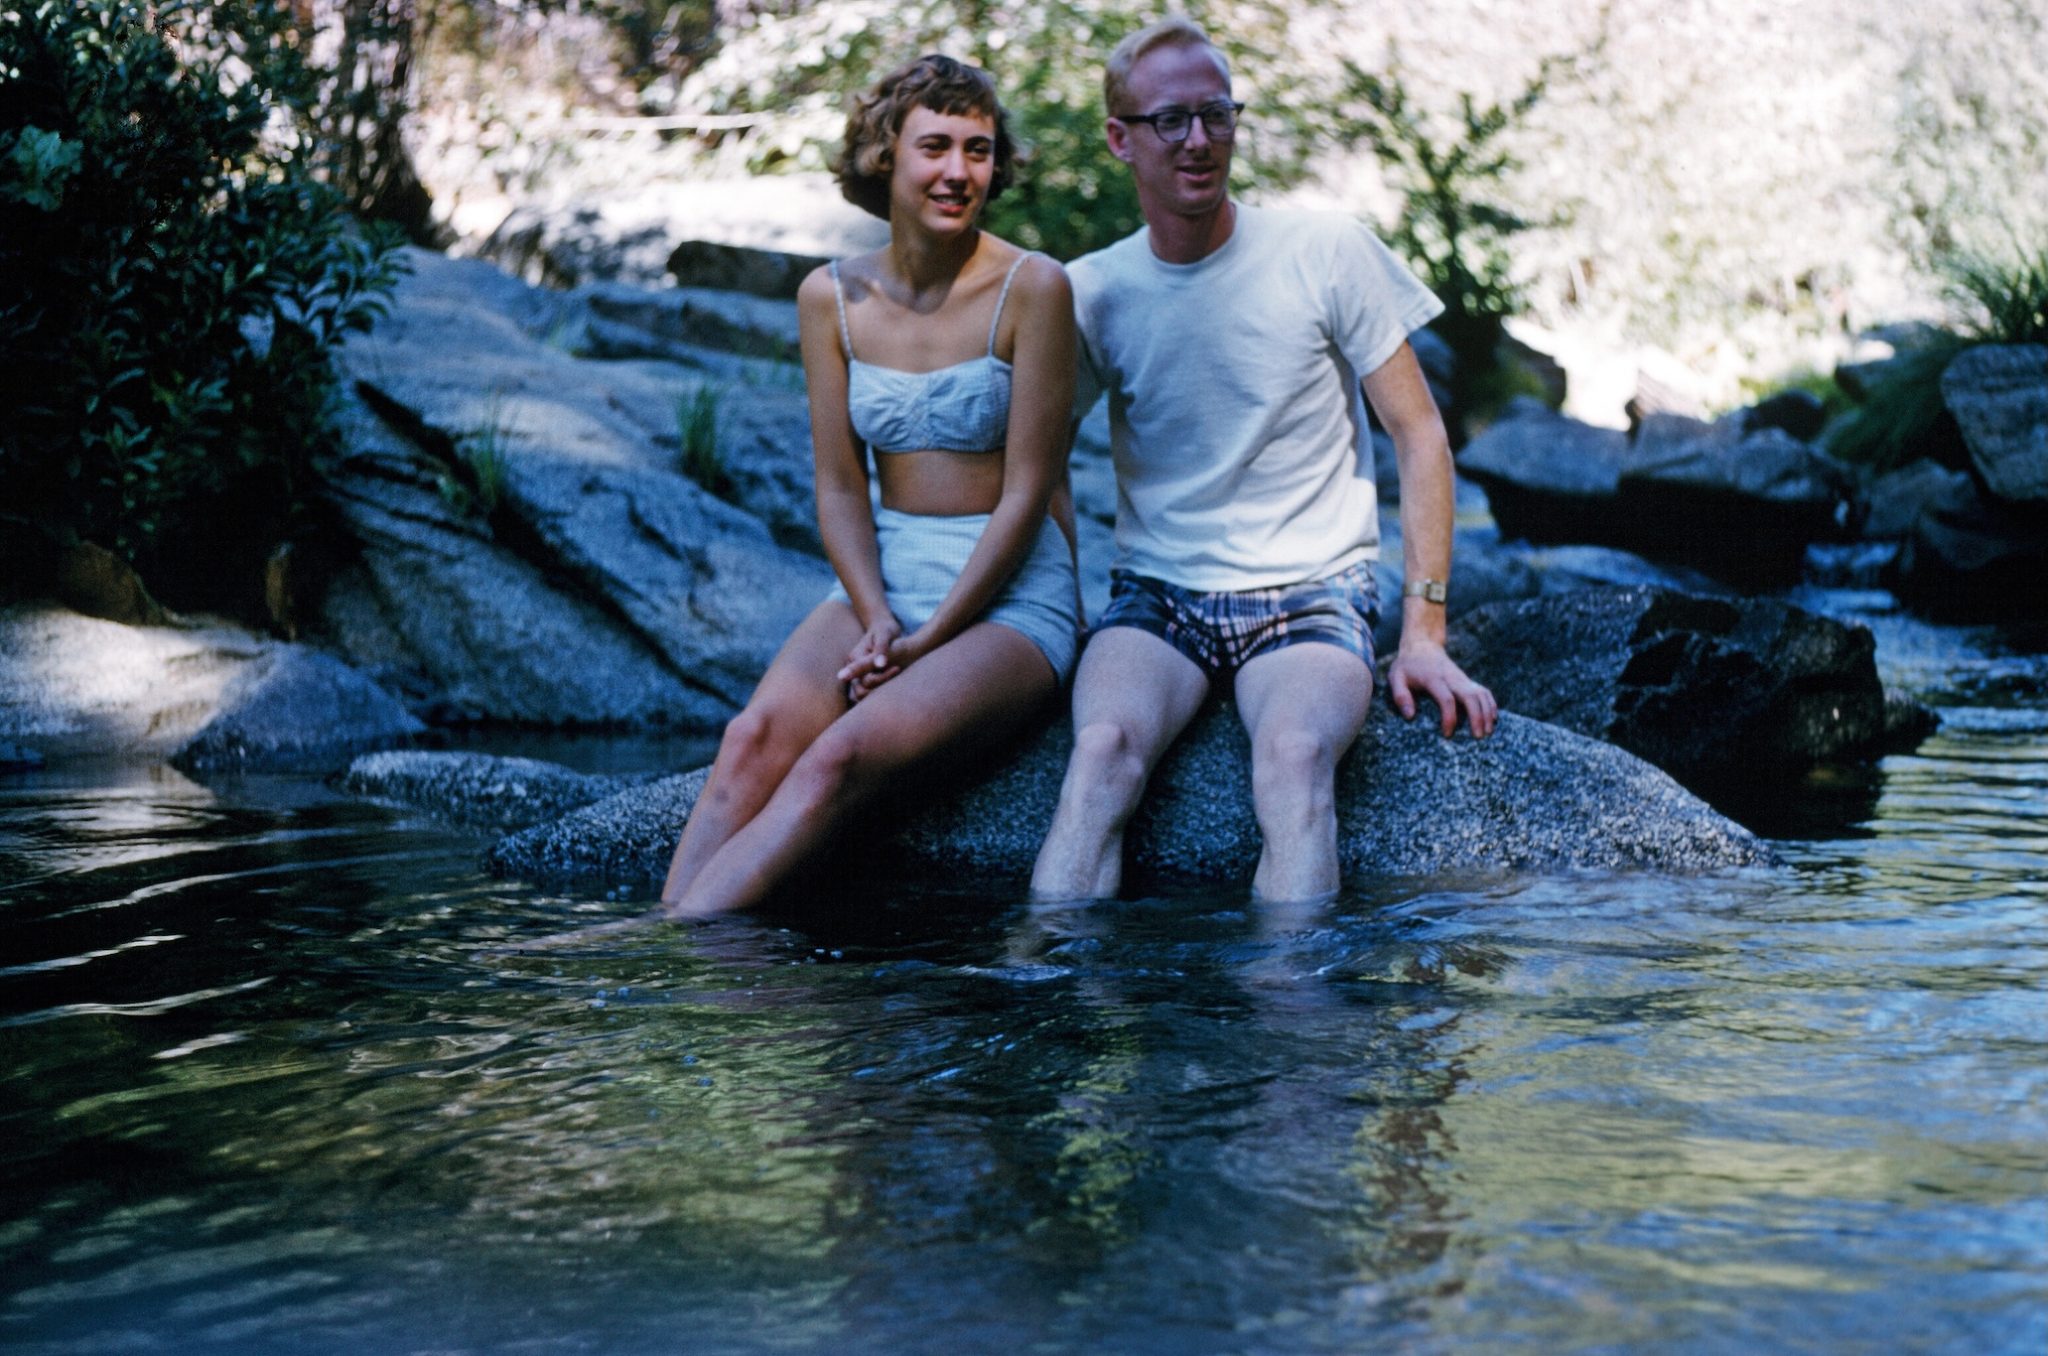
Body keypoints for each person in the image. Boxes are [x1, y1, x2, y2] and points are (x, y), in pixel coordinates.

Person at [1030, 17, 1498, 904]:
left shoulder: (1324, 251)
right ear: (1119, 138)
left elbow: (1421, 435)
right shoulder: (1092, 291)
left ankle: (1295, 1031)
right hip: (1158, 598)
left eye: (1217, 114)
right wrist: (1064, 606)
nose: (1199, 140)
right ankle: (1045, 1005)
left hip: (1313, 590)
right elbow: (1037, 456)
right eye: (1171, 120)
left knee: (1292, 761)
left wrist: (1424, 635)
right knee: (1099, 756)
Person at [655, 54, 1079, 920]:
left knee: (833, 760)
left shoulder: (1034, 287)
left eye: (979, 149)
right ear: (885, 153)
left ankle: (659, 953)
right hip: (883, 574)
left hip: (1010, 597)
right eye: (935, 146)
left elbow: (1028, 494)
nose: (959, 171)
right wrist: (878, 613)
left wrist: (929, 642)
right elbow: (842, 489)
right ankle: (670, 936)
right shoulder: (831, 296)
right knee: (750, 740)